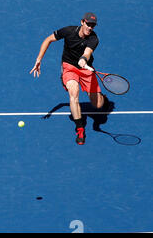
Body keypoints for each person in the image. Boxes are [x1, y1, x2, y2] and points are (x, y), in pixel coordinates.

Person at [30, 12, 109, 145]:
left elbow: (87, 53)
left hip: (85, 69)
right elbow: (48, 40)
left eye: (93, 26)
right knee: (73, 93)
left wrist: (83, 60)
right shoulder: (68, 31)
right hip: (69, 67)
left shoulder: (94, 39)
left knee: (98, 105)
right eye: (88, 24)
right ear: (82, 22)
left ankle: (102, 98)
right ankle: (80, 128)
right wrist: (39, 59)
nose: (90, 28)